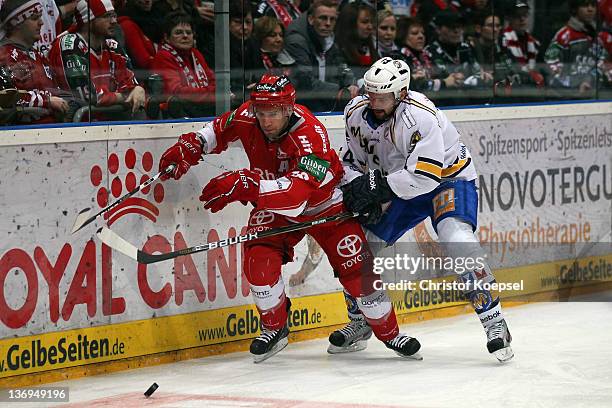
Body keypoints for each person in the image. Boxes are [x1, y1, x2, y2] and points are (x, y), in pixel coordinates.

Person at [157, 73, 421, 362]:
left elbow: (297, 197)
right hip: (274, 206)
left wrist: (249, 184)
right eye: (261, 112)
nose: (266, 120)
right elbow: (217, 131)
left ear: (289, 108)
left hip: (325, 205)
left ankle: (390, 333)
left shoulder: (311, 136)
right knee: (258, 260)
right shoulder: (248, 115)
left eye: (274, 113)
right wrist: (191, 145)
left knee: (359, 273)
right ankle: (275, 328)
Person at [328, 57, 514, 362]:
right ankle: (361, 322)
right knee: (356, 245)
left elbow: (425, 177)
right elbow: (353, 161)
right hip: (401, 182)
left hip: (447, 179)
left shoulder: (420, 117)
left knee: (458, 241)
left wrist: (377, 189)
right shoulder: (355, 113)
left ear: (401, 93)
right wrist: (357, 185)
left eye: (383, 96)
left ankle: (495, 324)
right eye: (371, 93)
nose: (375, 101)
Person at [48, 0, 146, 116]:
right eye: (106, 16)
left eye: (114, 15)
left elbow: (130, 83)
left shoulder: (112, 46)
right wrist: (126, 95)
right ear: (88, 21)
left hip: (109, 120)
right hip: (78, 124)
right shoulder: (69, 45)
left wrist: (138, 89)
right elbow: (89, 96)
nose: (114, 21)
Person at [0, 0, 69, 123]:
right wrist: (47, 101)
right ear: (17, 23)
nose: (41, 23)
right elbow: (7, 98)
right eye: (34, 18)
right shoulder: (4, 56)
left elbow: (55, 91)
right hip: (22, 135)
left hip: (52, 132)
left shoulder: (38, 55)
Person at [284, 0, 359, 112]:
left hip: (324, 100)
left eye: (332, 19)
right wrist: (338, 91)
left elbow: (341, 65)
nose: (328, 23)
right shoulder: (296, 40)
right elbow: (305, 81)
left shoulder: (328, 36)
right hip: (300, 103)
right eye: (323, 18)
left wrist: (352, 84)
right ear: (311, 19)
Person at [151, 11, 215, 117]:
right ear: (166, 37)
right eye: (178, 32)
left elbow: (213, 81)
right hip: (179, 113)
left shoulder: (195, 53)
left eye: (188, 33)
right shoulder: (163, 56)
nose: (185, 36)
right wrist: (212, 93)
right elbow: (178, 92)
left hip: (202, 106)